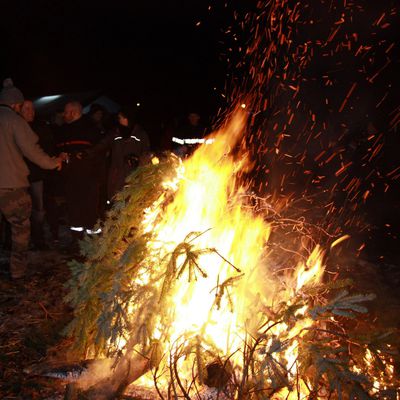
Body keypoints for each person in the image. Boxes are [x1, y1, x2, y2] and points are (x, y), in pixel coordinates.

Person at [0, 78, 63, 279]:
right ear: (16, 104)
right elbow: (33, 152)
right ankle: (17, 272)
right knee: (20, 230)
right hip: (12, 187)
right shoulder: (14, 121)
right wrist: (53, 162)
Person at [56, 101, 102, 237]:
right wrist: (61, 154)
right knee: (74, 209)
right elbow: (58, 148)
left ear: (74, 112)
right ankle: (77, 241)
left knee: (89, 209)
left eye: (66, 112)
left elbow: (98, 152)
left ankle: (93, 242)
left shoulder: (90, 128)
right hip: (71, 178)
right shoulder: (64, 129)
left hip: (88, 178)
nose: (63, 115)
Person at [20, 100, 57, 249]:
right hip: (18, 178)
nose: (31, 112)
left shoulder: (40, 128)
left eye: (33, 109)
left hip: (36, 177)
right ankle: (14, 242)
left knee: (38, 210)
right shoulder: (14, 128)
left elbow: (47, 149)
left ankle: (38, 240)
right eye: (27, 109)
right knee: (18, 212)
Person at [107, 105, 150, 200]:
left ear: (127, 118)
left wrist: (137, 160)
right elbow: (103, 145)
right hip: (117, 175)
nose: (119, 120)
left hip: (133, 176)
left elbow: (146, 154)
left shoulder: (140, 134)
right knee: (116, 200)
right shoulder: (115, 133)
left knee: (131, 202)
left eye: (120, 117)